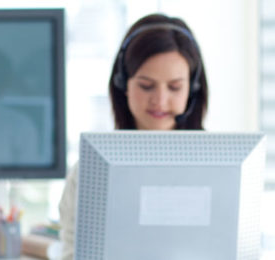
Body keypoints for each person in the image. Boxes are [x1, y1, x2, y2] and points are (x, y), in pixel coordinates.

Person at [58, 14, 209, 259]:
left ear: (192, 90)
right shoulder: (89, 171)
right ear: (122, 84)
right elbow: (71, 253)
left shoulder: (217, 167)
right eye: (146, 86)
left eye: (174, 87)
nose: (159, 100)